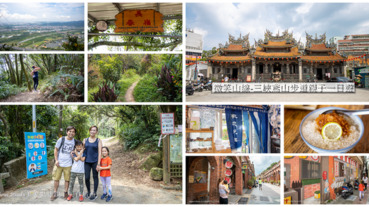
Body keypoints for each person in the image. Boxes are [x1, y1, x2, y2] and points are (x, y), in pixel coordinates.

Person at [50, 126, 76, 201]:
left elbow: (77, 150)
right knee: (56, 179)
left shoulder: (75, 141)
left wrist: (74, 154)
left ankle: (65, 192)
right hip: (59, 163)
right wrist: (56, 160)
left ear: (74, 133)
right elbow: (56, 149)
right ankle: (55, 193)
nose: (71, 133)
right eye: (70, 131)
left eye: (73, 132)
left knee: (67, 179)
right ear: (67, 132)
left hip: (68, 164)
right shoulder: (61, 139)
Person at [83, 126, 102, 201]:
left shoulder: (98, 140)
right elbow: (82, 150)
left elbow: (100, 152)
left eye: (94, 130)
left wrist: (98, 163)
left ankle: (94, 193)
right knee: (87, 177)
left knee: (95, 177)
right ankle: (88, 192)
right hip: (87, 162)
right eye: (91, 130)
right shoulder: (85, 140)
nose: (93, 131)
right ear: (89, 131)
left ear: (96, 132)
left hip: (95, 162)